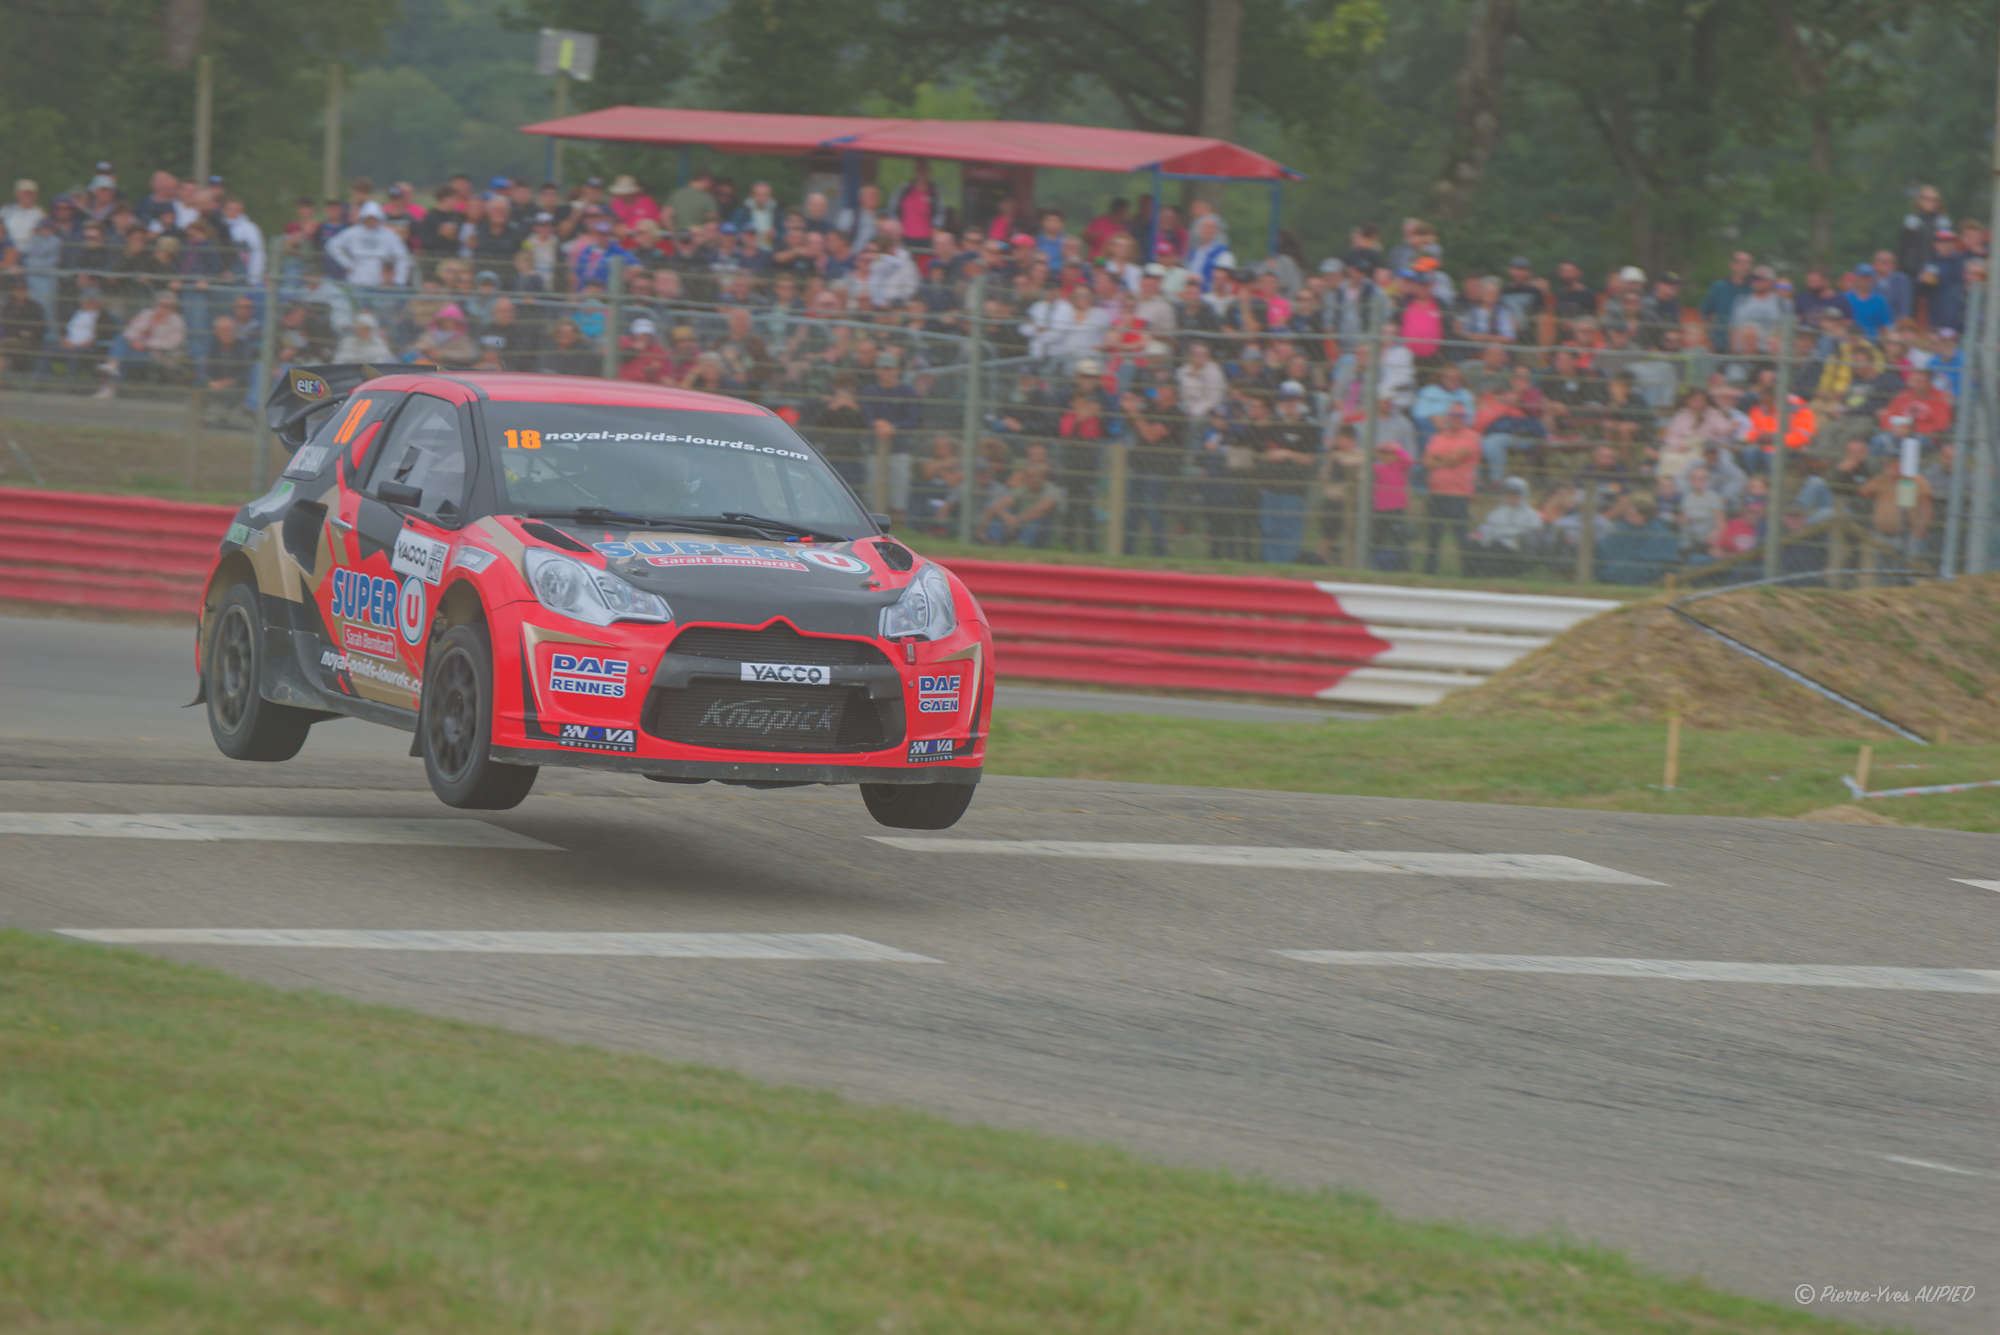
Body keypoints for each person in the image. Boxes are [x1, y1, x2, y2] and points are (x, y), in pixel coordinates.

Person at [1420, 403, 1480, 574]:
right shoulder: (1438, 437)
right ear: (1448, 417)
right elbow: (1426, 461)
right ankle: (1429, 572)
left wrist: (1438, 459)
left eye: (1460, 416)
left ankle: (1468, 573)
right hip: (1437, 493)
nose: (1456, 419)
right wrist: (1445, 460)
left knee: (1461, 538)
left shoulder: (1471, 437)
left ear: (1465, 419)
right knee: (1433, 537)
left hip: (1458, 495)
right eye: (1453, 416)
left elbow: (1456, 459)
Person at [1462, 476, 1545, 575]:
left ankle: (1491, 575)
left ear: (1523, 495)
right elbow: (1486, 530)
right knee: (1472, 544)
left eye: (1516, 494)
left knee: (1496, 547)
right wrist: (1478, 536)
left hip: (1516, 550)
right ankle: (1470, 576)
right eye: (1509, 494)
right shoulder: (1497, 513)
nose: (1512, 497)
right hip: (1492, 544)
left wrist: (1505, 537)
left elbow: (1533, 534)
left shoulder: (1531, 515)